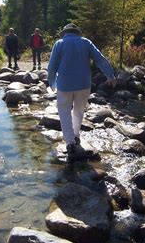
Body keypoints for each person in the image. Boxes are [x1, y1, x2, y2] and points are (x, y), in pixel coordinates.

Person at [48, 23, 116, 155]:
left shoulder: (59, 44)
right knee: (78, 111)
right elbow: (100, 59)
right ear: (77, 32)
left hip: (64, 85)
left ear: (65, 33)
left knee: (64, 112)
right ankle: (76, 135)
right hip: (84, 84)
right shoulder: (86, 42)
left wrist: (52, 83)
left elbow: (52, 67)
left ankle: (70, 142)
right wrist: (110, 75)